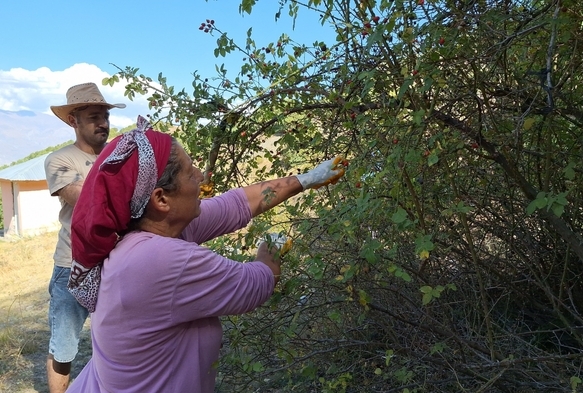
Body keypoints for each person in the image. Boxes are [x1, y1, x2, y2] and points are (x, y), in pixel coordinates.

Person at [65, 115, 345, 392]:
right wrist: (269, 250)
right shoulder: (159, 259)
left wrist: (307, 179)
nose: (200, 176)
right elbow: (254, 285)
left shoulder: (151, 230)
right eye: (190, 172)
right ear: (161, 199)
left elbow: (236, 205)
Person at [43, 82, 126, 393]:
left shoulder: (120, 155)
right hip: (72, 265)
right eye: (93, 116)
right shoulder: (59, 160)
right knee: (64, 347)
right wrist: (127, 182)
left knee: (117, 341)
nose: (103, 123)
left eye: (104, 116)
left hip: (117, 262)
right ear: (72, 120)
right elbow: (82, 198)